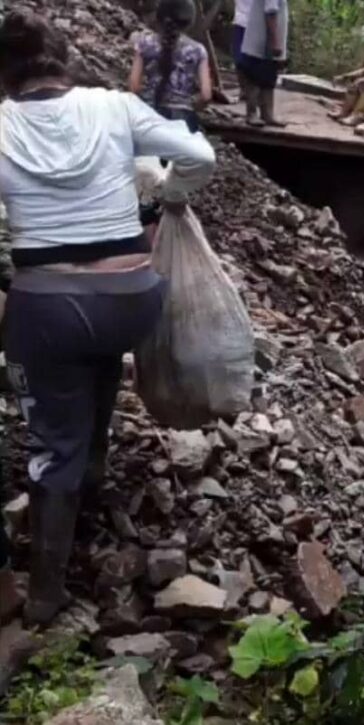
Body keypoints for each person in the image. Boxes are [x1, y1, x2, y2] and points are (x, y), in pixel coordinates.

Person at [0, 9, 216, 626]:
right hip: (133, 299)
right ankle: (90, 487)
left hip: (49, 310)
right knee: (90, 364)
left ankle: (44, 593)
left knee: (52, 436)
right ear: (63, 60)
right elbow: (199, 154)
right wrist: (166, 196)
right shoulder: (115, 108)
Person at [128, 0, 212, 133]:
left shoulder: (144, 44)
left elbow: (134, 86)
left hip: (149, 115)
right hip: (183, 119)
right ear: (189, 21)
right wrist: (190, 106)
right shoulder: (198, 50)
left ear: (159, 17)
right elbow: (206, 95)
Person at [240, 0, 289, 127]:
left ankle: (267, 114)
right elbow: (270, 13)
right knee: (255, 78)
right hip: (262, 42)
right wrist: (274, 41)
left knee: (268, 78)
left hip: (266, 43)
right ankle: (252, 114)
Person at [232, 0, 254, 101]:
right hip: (240, 22)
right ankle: (244, 89)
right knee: (239, 59)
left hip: (254, 24)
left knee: (251, 58)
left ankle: (249, 90)